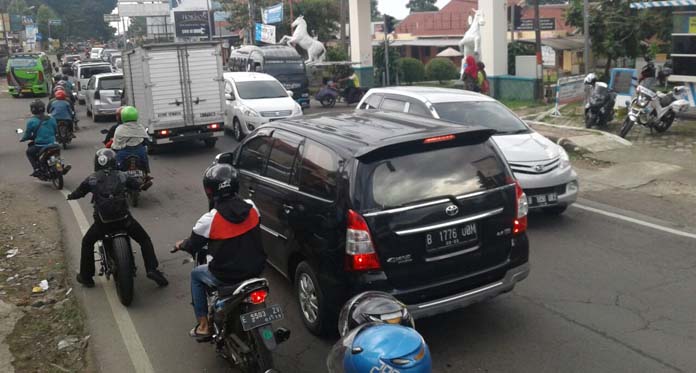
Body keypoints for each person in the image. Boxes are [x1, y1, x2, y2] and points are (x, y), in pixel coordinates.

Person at [172, 164, 266, 337]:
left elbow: (193, 244)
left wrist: (181, 244)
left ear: (209, 191)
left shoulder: (209, 220)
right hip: (256, 269)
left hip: (227, 275)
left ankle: (203, 326)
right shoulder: (252, 207)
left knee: (196, 276)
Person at [68, 148, 168, 288]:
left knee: (87, 242)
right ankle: (152, 269)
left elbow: (79, 192)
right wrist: (143, 185)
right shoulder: (122, 176)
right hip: (124, 220)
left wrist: (71, 196)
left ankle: (86, 277)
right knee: (144, 240)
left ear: (97, 163)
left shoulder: (92, 178)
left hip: (103, 224)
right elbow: (138, 185)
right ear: (114, 162)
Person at [19, 100, 60, 176]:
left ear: (33, 110)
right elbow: (56, 130)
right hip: (53, 143)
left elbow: (27, 134)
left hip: (40, 145)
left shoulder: (31, 121)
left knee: (29, 152)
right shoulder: (51, 118)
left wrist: (23, 139)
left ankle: (37, 169)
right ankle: (59, 165)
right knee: (57, 154)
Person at [111, 106, 150, 173]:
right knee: (145, 161)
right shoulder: (140, 127)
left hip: (124, 152)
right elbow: (145, 139)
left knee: (117, 168)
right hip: (139, 151)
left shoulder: (119, 129)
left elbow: (115, 145)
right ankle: (146, 174)